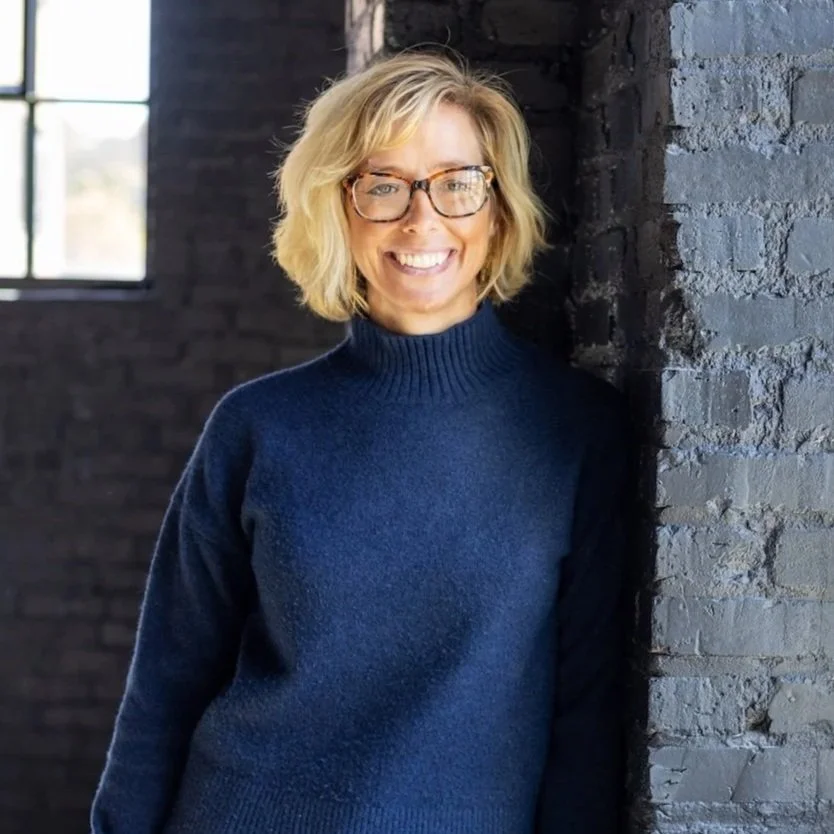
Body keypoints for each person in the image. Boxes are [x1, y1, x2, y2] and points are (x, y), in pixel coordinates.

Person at [89, 48, 631, 834]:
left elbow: (587, 719)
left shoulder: (578, 431)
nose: (422, 219)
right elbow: (167, 686)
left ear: (499, 207)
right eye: (382, 186)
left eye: (457, 183)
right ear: (337, 210)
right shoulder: (258, 427)